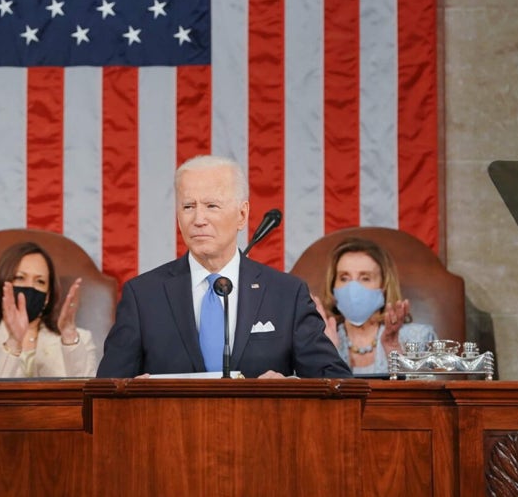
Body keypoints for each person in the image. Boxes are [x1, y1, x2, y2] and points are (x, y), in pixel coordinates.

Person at [96, 155, 352, 379]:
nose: (198, 219)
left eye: (211, 206)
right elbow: (105, 392)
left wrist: (290, 388)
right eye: (188, 207)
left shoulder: (286, 294)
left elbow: (335, 382)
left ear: (242, 215)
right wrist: (132, 394)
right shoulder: (143, 296)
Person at [0, 241, 98, 380]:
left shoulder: (79, 341)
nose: (30, 287)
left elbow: (90, 399)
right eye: (20, 278)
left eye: (40, 281)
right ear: (3, 285)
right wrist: (13, 342)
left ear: (47, 296)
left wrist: (69, 335)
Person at [313, 237, 437, 374]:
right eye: (344, 278)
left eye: (365, 278)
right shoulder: (319, 341)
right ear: (333, 285)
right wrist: (327, 353)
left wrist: (394, 351)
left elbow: (426, 392)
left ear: (384, 286)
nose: (353, 288)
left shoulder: (419, 338)